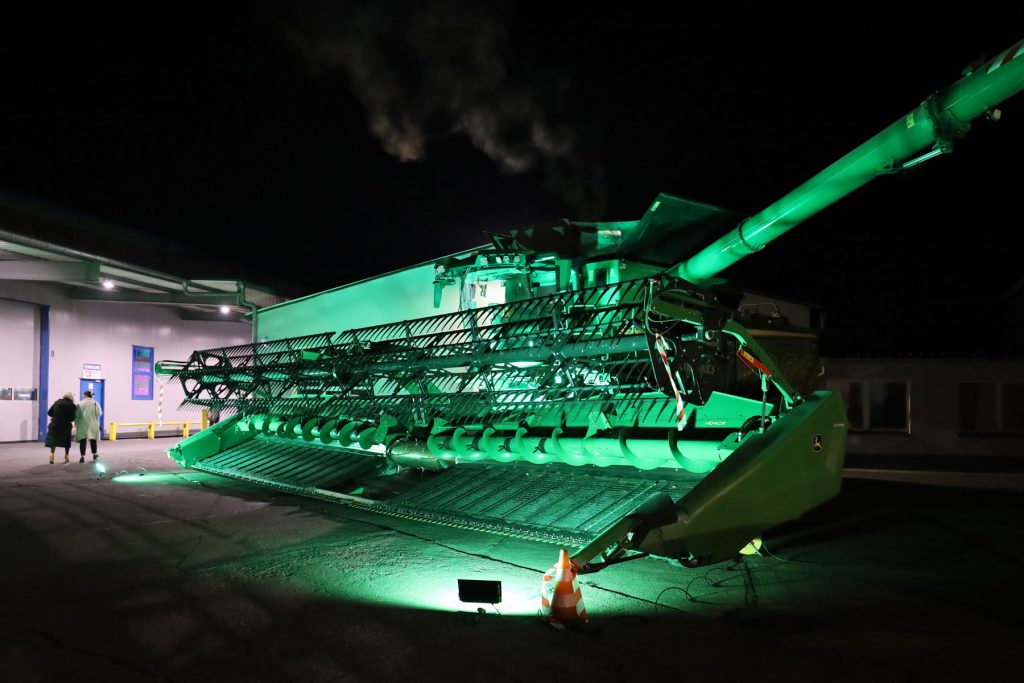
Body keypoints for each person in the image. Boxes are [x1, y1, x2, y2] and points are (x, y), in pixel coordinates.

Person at [44, 392, 77, 464]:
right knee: (67, 441)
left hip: (55, 424)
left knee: (53, 440)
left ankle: (52, 454)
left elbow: (49, 412)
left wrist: (56, 416)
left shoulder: (57, 402)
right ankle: (66, 456)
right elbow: (72, 418)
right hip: (65, 426)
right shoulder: (72, 405)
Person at [75, 390, 103, 463]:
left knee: (83, 441)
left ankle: (82, 457)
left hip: (82, 424)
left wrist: (75, 423)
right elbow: (99, 413)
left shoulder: (79, 404)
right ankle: (94, 454)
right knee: (93, 440)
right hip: (93, 424)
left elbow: (76, 415)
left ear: (85, 395)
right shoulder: (96, 403)